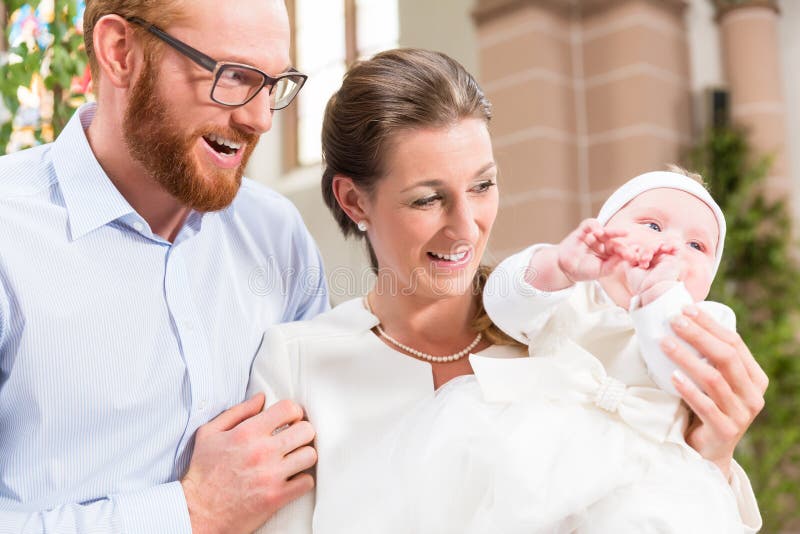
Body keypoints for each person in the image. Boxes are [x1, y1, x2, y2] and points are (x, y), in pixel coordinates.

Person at [248, 48, 767, 533]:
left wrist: (715, 454)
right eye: (428, 199)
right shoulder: (299, 364)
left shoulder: (576, 322)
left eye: (482, 186)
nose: (467, 228)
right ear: (354, 202)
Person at [0, 1, 327, 532]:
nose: (259, 119)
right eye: (233, 76)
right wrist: (192, 511)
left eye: (274, 84)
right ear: (120, 53)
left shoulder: (277, 236)